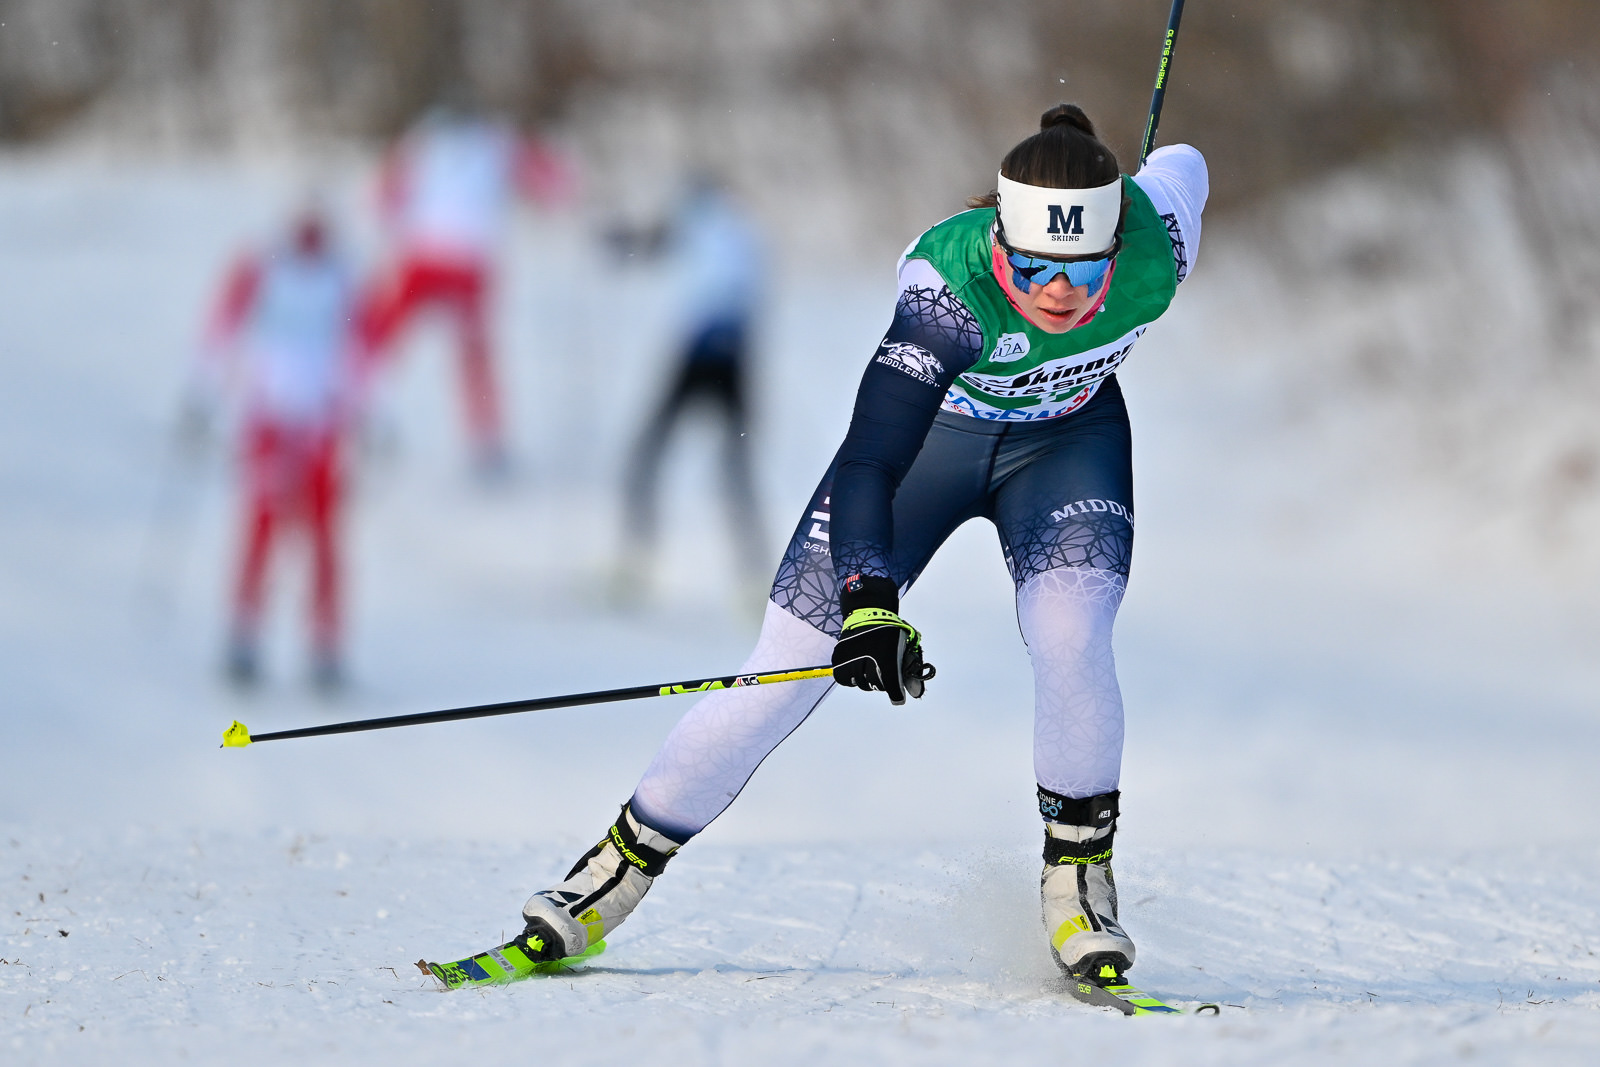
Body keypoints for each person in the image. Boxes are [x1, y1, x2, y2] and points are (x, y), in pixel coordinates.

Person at [506, 105, 1207, 990]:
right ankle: (611, 875)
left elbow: (1184, 161)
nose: (1058, 291)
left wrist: (1138, 178)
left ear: (1117, 244)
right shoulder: (944, 293)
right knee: (784, 666)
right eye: (1032, 266)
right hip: (930, 449)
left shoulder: (1160, 241)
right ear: (999, 241)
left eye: (1081, 268)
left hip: (1067, 444)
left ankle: (1079, 877)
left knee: (1072, 636)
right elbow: (872, 458)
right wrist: (870, 603)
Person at [189, 207, 365, 691]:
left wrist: (370, 408)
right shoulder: (263, 268)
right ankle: (244, 635)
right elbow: (222, 327)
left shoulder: (344, 275)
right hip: (268, 416)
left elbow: (362, 343)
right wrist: (202, 392)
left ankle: (325, 645)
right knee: (263, 525)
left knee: (324, 534)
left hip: (323, 421)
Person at [357, 99, 575, 476]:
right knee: (386, 332)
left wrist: (555, 189)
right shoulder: (436, 142)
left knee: (465, 350)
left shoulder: (483, 142)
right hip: (435, 259)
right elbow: (384, 193)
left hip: (453, 262)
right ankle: (359, 412)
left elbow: (384, 195)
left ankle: (486, 440)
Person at [611, 176, 769, 605]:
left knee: (648, 453)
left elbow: (650, 242)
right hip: (734, 358)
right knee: (736, 471)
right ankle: (756, 581)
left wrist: (617, 240)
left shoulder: (697, 218)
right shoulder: (744, 227)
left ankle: (632, 563)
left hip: (698, 356)